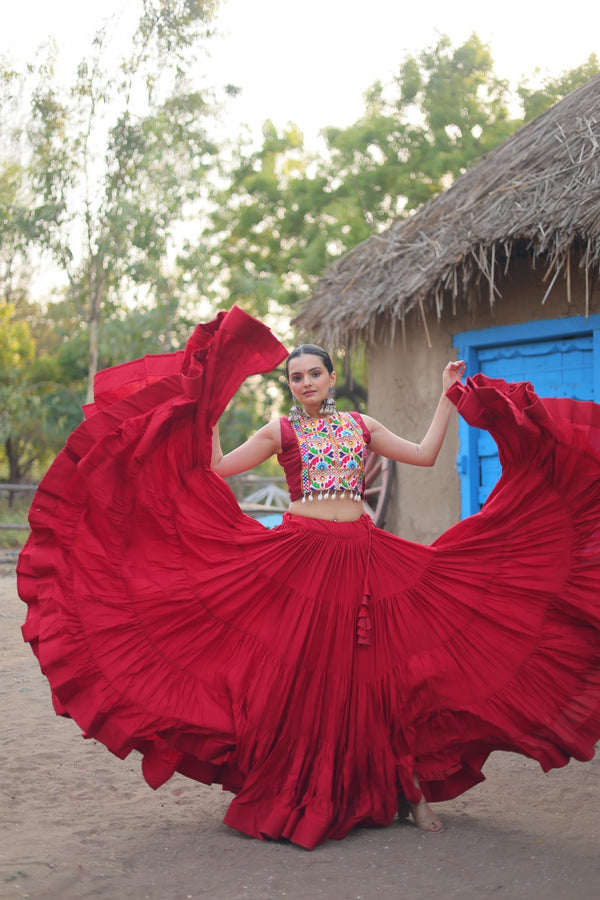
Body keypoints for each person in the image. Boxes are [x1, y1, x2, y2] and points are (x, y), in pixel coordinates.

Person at [18, 306, 600, 850]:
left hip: (363, 557)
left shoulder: (361, 424)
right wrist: (208, 410)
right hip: (300, 560)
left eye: (314, 373)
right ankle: (302, 786)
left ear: (330, 377)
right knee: (302, 679)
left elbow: (424, 454)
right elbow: (215, 468)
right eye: (295, 377)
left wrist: (448, 396)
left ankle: (410, 791)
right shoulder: (280, 431)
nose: (305, 383)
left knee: (380, 676)